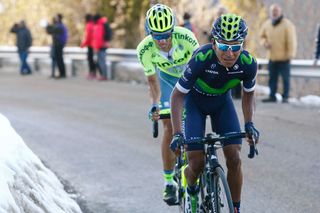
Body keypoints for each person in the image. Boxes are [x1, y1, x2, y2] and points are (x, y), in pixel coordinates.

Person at [170, 13, 260, 213]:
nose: (230, 53)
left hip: (222, 104)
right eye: (224, 46)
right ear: (213, 43)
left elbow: (248, 95)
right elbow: (177, 96)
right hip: (195, 104)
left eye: (236, 46)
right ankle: (191, 190)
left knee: (234, 157)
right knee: (196, 160)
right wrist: (177, 133)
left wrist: (249, 124)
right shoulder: (201, 58)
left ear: (242, 46)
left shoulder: (248, 63)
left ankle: (235, 208)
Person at [136, 4, 199, 205]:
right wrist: (155, 105)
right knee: (169, 127)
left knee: (195, 120)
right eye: (157, 36)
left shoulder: (187, 37)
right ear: (149, 33)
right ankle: (169, 181)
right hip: (167, 82)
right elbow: (153, 82)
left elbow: (201, 66)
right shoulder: (144, 49)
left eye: (166, 35)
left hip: (190, 80)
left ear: (173, 29)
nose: (162, 41)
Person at [260, 4, 297, 103]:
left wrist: (290, 55)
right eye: (273, 11)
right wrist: (265, 43)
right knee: (272, 78)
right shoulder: (267, 24)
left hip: (284, 57)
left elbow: (291, 41)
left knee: (285, 79)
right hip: (272, 57)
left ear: (280, 12)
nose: (274, 12)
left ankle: (285, 97)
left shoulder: (287, 24)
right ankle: (272, 96)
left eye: (276, 11)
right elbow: (262, 37)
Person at [46, 14, 68, 79]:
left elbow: (52, 30)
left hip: (59, 44)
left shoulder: (60, 26)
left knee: (59, 59)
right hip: (56, 44)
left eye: (56, 18)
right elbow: (50, 31)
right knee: (58, 59)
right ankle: (61, 73)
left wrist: (48, 26)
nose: (55, 19)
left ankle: (62, 73)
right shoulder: (58, 25)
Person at [92, 14, 111, 81]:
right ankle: (103, 75)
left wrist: (96, 47)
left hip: (101, 46)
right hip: (102, 45)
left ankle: (104, 76)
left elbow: (98, 37)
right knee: (101, 61)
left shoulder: (100, 25)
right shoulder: (103, 23)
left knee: (101, 61)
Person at [81, 14, 97, 80]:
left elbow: (88, 36)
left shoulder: (89, 25)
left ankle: (92, 73)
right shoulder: (93, 24)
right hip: (94, 44)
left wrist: (83, 44)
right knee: (92, 59)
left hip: (90, 44)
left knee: (90, 59)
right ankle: (93, 73)